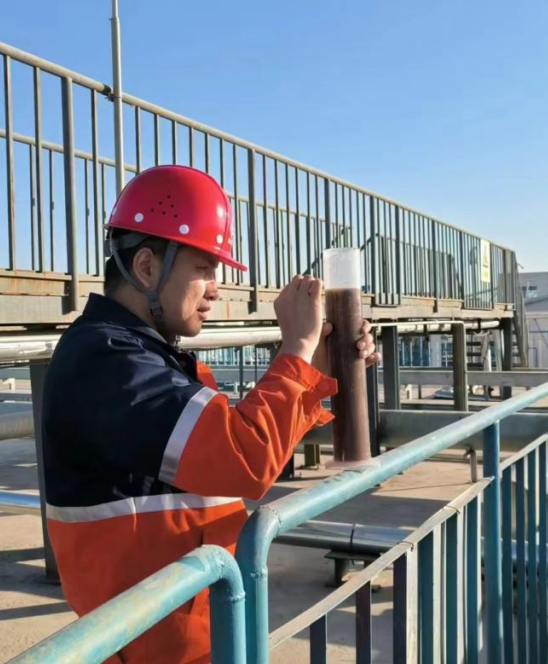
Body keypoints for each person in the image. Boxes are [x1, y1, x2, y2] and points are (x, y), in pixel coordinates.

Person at [40, 165, 379, 664]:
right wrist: (297, 348)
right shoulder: (106, 362)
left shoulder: (145, 357)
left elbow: (230, 445)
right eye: (204, 268)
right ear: (147, 268)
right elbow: (245, 457)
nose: (216, 289)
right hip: (151, 648)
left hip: (190, 632)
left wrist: (314, 367)